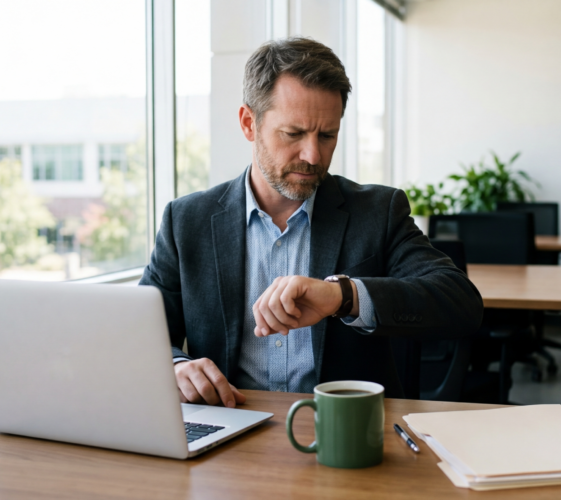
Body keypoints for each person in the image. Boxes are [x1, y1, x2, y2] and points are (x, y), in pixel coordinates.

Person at [139, 37, 484, 407]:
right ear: (248, 123)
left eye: (327, 135)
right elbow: (138, 332)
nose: (313, 155)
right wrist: (173, 365)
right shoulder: (187, 221)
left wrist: (343, 296)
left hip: (345, 434)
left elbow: (461, 303)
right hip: (230, 431)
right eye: (294, 133)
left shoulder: (378, 211)